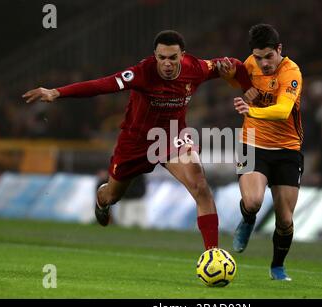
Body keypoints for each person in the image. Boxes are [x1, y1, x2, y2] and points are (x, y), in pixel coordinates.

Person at [22, 30, 252, 250]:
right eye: (162, 58)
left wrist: (248, 89)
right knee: (112, 194)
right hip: (135, 142)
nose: (168, 63)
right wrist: (57, 92)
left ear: (183, 55)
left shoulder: (198, 68)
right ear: (155, 56)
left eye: (173, 57)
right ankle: (101, 201)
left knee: (200, 186)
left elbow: (237, 64)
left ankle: (212, 253)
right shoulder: (142, 72)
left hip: (171, 137)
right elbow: (102, 85)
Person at [221, 24, 303, 280]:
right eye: (258, 57)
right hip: (252, 143)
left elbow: (282, 111)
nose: (264, 63)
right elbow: (240, 82)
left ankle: (277, 266)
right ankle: (247, 218)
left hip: (287, 149)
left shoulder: (291, 72)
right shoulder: (250, 64)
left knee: (285, 221)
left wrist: (251, 111)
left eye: (269, 56)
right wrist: (227, 75)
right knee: (253, 201)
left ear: (279, 49)